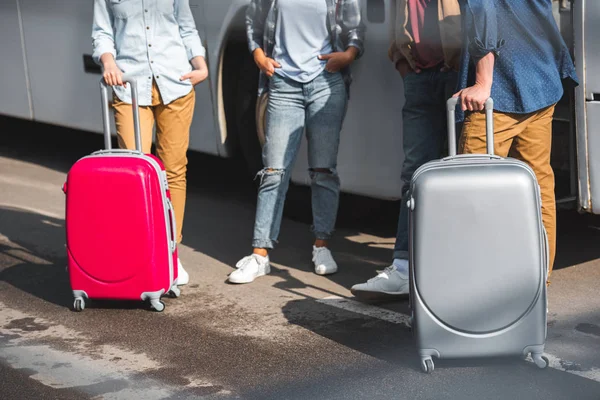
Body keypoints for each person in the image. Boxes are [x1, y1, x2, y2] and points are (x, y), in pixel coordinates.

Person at [229, 0, 365, 284]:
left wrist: (349, 55)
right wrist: (258, 56)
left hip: (326, 83)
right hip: (283, 85)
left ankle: (322, 246)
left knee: (323, 171)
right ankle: (259, 255)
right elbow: (253, 20)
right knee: (273, 172)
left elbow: (356, 27)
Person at [452, 0, 578, 284]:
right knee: (538, 186)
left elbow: (482, 10)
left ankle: (477, 287)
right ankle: (536, 283)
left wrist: (483, 82)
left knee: (472, 191)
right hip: (541, 80)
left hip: (500, 92)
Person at [351, 0, 462, 300]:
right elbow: (397, 23)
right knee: (414, 173)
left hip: (457, 73)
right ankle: (402, 268)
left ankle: (461, 269)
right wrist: (403, 62)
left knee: (462, 172)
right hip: (419, 76)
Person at [92, 0, 209, 285]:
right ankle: (140, 253)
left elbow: (186, 26)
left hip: (176, 83)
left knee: (173, 170)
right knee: (134, 174)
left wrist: (201, 65)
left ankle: (171, 251)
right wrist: (108, 62)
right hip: (128, 87)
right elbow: (102, 32)